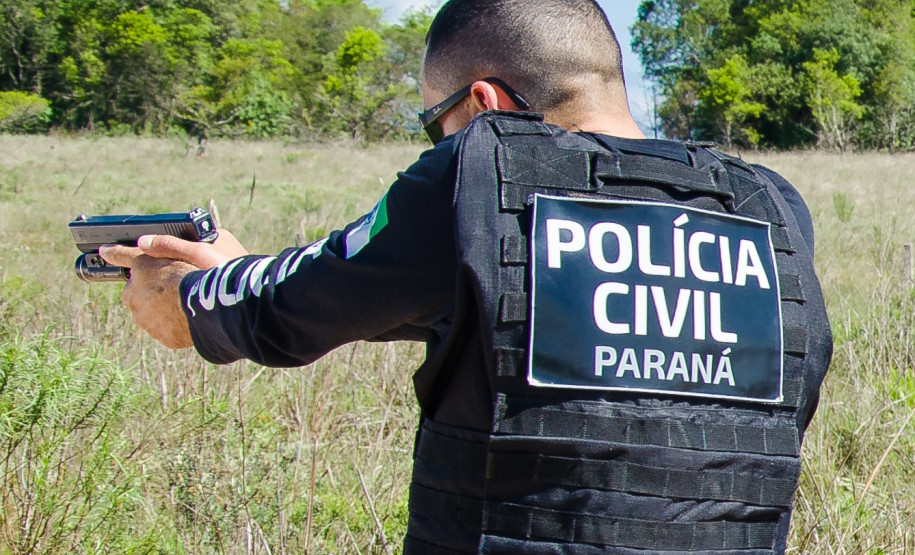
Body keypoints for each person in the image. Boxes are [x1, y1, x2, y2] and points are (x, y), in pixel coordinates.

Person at [100, 0, 833, 552]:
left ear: (483, 104)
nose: (437, 143)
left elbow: (291, 307)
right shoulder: (767, 205)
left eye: (433, 123)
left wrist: (195, 292)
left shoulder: (480, 169)